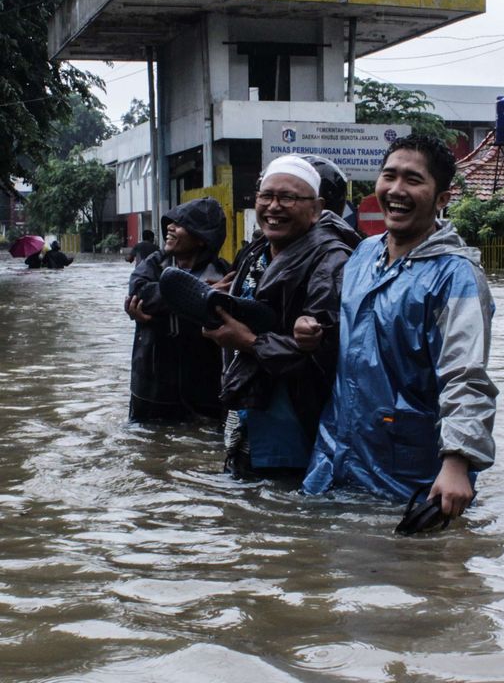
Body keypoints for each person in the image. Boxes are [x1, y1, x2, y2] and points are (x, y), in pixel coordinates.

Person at [302, 135, 497, 522]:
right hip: (334, 462)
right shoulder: (363, 254)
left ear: (442, 198)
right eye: (389, 176)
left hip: (410, 477)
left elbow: (466, 376)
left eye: (413, 180)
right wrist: (315, 331)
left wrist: (457, 461)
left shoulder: (456, 277)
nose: (396, 190)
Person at [205, 155, 359, 479]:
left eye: (287, 197)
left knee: (286, 522)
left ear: (317, 209)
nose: (274, 206)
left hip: (296, 431)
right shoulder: (258, 251)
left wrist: (247, 341)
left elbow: (324, 356)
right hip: (250, 417)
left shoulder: (332, 262)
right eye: (266, 195)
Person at [125, 197, 230, 422]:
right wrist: (200, 294)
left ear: (202, 238)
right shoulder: (155, 264)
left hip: (204, 391)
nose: (170, 228)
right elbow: (141, 294)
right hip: (152, 390)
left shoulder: (223, 274)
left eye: (180, 224)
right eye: (170, 223)